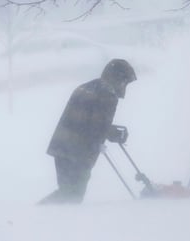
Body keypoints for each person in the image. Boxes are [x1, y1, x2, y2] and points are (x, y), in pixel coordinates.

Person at [38, 59, 137, 204]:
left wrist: (109, 132)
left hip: (61, 146)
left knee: (67, 192)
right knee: (72, 195)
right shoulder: (107, 94)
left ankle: (47, 218)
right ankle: (37, 214)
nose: (124, 86)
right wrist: (115, 134)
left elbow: (90, 121)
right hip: (78, 152)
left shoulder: (88, 87)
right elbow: (98, 126)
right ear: (118, 78)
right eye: (125, 81)